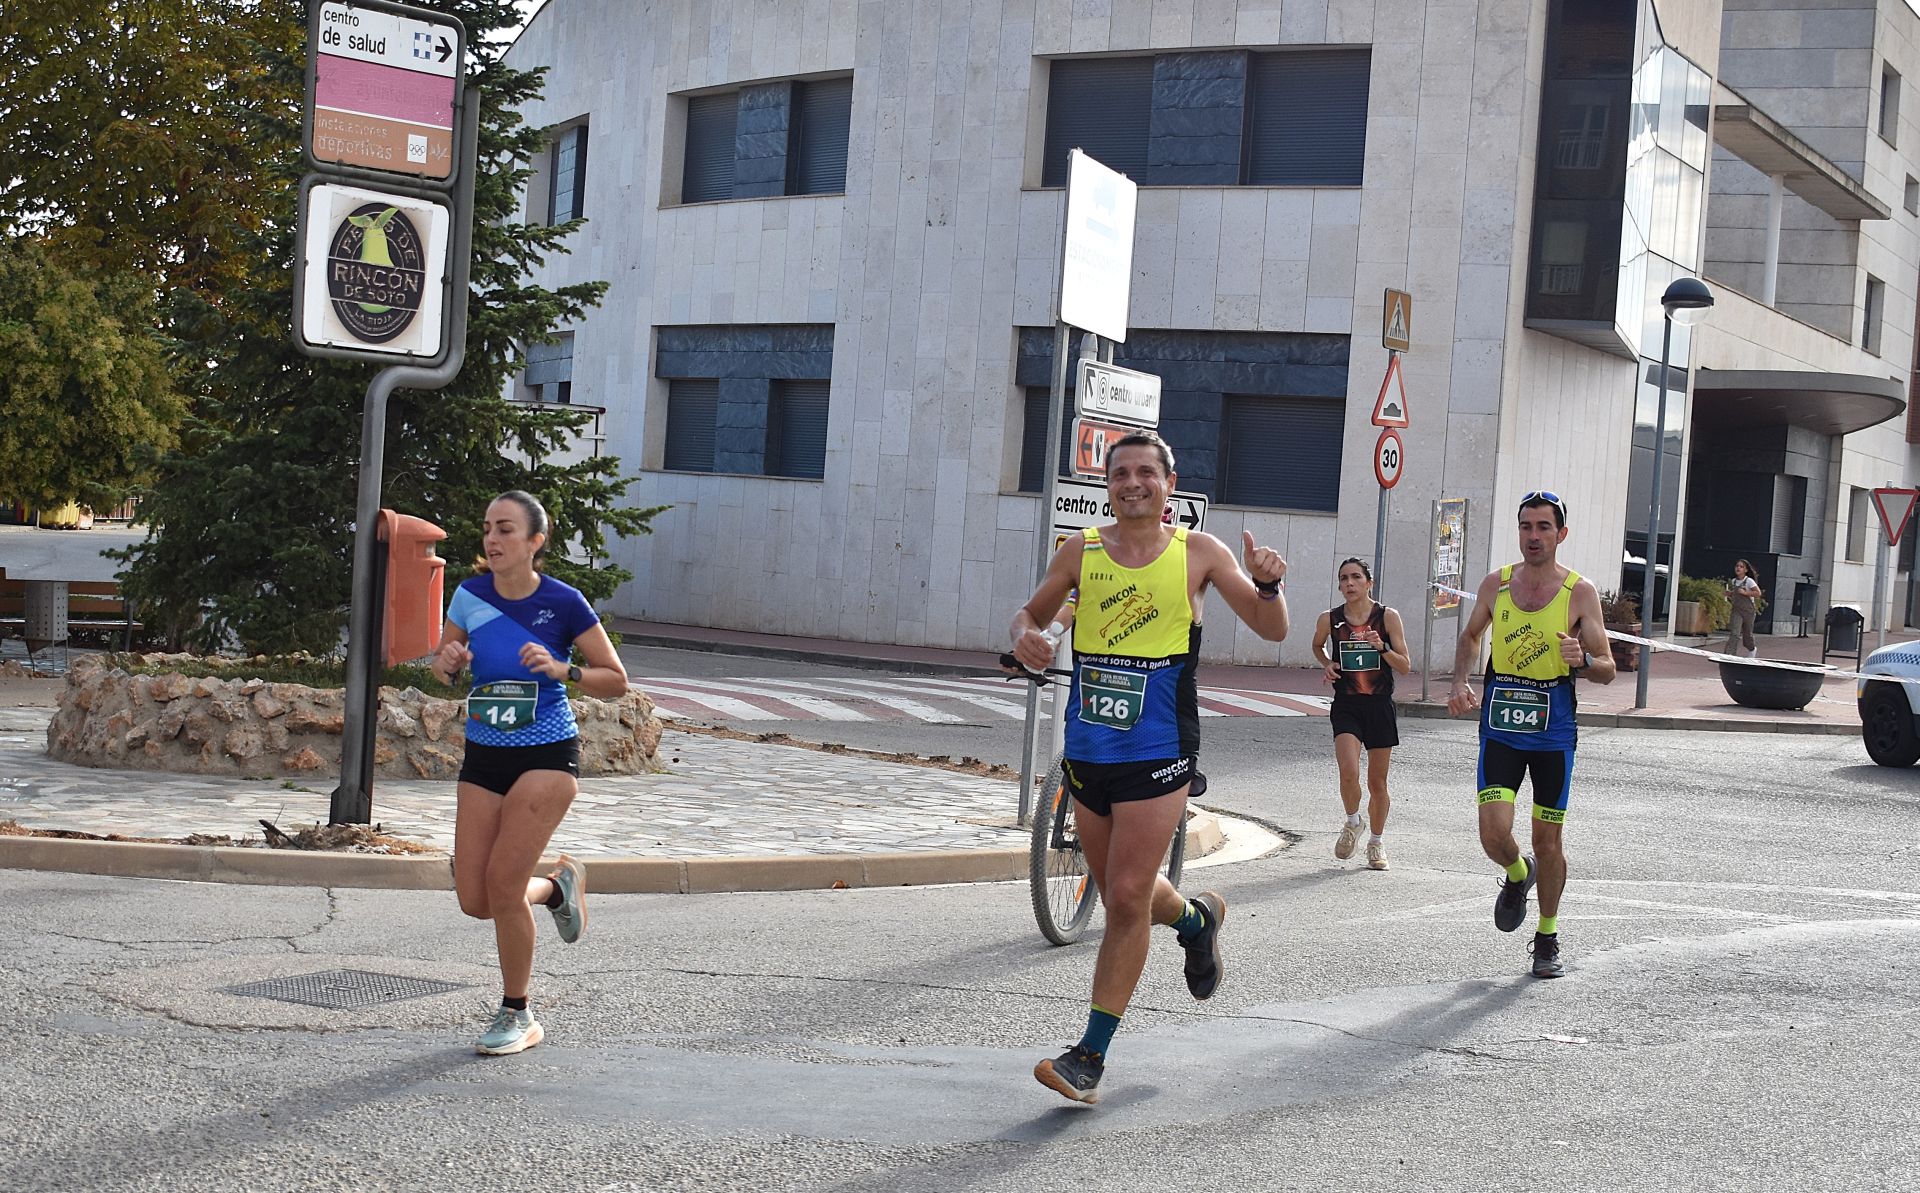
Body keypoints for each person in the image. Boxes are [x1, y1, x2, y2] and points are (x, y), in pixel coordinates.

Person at [1010, 430, 1290, 1104]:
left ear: (1169, 485)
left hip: (1159, 747)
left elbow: (1271, 627)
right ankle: (1195, 922)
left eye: (1145, 472)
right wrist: (1024, 638)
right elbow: (1030, 616)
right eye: (1120, 474)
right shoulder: (1081, 551)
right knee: (1119, 894)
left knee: (1129, 895)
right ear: (1107, 485)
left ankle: (1089, 1056)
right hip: (1088, 748)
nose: (1132, 483)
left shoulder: (1199, 553)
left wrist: (1269, 583)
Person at [430, 490, 629, 1055]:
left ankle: (517, 1013)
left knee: (502, 884)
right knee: (476, 899)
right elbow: (443, 666)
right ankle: (556, 887)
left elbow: (616, 680)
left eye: (506, 529)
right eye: (488, 528)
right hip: (484, 754)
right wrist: (448, 662)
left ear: (535, 542)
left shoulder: (564, 602)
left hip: (546, 753)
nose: (492, 539)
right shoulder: (470, 595)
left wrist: (563, 669)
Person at [1446, 490, 1616, 979]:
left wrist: (1583, 660)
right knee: (1493, 834)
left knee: (1548, 840)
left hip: (1553, 734)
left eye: (1544, 527)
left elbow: (1607, 667)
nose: (1534, 536)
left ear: (1561, 534)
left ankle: (1546, 937)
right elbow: (1471, 635)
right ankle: (1518, 874)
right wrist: (1460, 682)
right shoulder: (1496, 584)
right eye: (1526, 526)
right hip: (1501, 725)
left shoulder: (1579, 592)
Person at [1310, 558, 1411, 870]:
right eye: (1344, 578)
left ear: (1370, 582)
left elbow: (1405, 665)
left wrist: (1382, 647)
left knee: (1377, 783)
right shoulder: (1330, 619)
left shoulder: (1387, 617)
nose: (1349, 583)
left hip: (1379, 706)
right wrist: (1327, 663)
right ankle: (1353, 822)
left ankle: (1376, 843)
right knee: (1348, 771)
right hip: (1347, 705)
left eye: (1356, 577)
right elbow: (1317, 646)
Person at [1724, 559, 1761, 658]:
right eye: (1737, 566)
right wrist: (1729, 594)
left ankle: (1752, 649)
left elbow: (1758, 593)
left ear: (1746, 570)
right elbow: (1735, 595)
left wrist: (1745, 593)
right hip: (1737, 610)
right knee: (1734, 633)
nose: (1738, 568)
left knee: (1747, 635)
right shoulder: (1733, 581)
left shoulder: (1749, 581)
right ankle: (1730, 655)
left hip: (1748, 612)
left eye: (1741, 567)